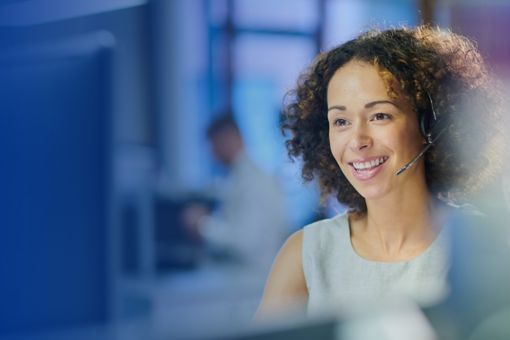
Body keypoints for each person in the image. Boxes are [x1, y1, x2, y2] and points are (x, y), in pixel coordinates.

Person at [256, 26, 504, 317]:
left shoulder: (488, 245)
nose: (358, 140)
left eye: (379, 115)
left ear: (429, 125)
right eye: (341, 122)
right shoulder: (304, 255)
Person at [183, 114, 287, 275]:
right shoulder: (238, 178)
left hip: (250, 281)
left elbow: (246, 242)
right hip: (244, 280)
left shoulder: (254, 181)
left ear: (228, 138)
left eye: (213, 144)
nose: (211, 152)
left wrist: (202, 225)